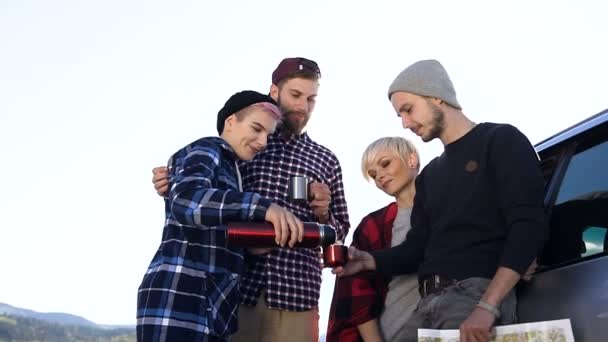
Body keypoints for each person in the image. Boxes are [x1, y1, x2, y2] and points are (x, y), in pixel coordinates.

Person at [333, 60, 548, 342]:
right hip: (426, 305)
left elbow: (528, 225)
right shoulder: (430, 175)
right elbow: (416, 249)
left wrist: (487, 305)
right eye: (400, 116)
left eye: (408, 110)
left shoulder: (500, 140)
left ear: (437, 96)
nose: (405, 123)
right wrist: (367, 260)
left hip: (473, 297)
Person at [152, 57, 350, 342]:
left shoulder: (326, 160)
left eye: (311, 99)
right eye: (295, 95)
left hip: (298, 294)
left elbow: (338, 230)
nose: (302, 107)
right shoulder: (242, 146)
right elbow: (202, 194)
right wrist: (171, 183)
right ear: (274, 92)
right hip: (236, 292)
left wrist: (322, 212)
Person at [137, 90, 305, 342]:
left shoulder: (234, 171)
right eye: (256, 128)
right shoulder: (207, 149)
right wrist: (263, 206)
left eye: (268, 135)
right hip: (177, 298)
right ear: (230, 122)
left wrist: (250, 248)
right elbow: (186, 200)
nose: (262, 142)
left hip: (213, 309)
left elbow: (211, 234)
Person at [326, 137, 421, 342]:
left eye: (385, 163)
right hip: (393, 333)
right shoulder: (373, 225)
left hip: (450, 327)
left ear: (412, 159)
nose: (380, 176)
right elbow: (355, 290)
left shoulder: (446, 211)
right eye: (373, 174)